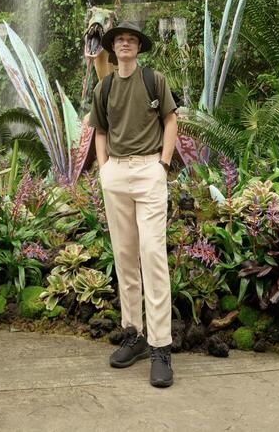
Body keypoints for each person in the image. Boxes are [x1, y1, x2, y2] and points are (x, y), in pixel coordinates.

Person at [87, 20, 178, 388]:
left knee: (152, 254)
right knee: (125, 256)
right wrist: (104, 169)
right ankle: (134, 334)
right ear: (113, 48)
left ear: (138, 47)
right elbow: (101, 131)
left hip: (149, 170)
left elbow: (171, 120)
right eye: (119, 40)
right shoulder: (104, 86)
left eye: (131, 40)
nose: (125, 44)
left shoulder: (154, 80)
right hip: (116, 175)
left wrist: (163, 165)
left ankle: (161, 347)